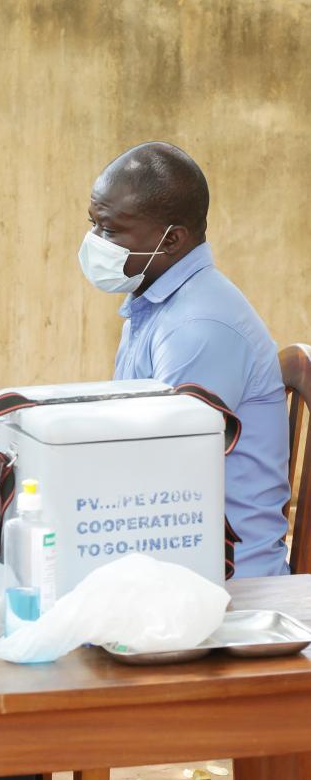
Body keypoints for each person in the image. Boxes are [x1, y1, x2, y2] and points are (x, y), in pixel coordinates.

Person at [80, 141, 291, 576]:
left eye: (111, 230)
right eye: (94, 225)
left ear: (171, 240)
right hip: (179, 557)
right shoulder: (158, 302)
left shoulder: (198, 326)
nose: (96, 242)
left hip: (225, 579)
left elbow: (165, 478)